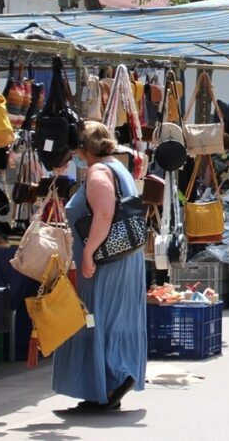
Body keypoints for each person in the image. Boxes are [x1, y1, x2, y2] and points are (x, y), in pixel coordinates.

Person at [54, 121, 146, 413]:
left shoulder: (98, 172)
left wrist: (88, 253)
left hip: (104, 261)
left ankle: (110, 382)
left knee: (96, 316)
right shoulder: (118, 168)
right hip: (123, 257)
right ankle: (112, 379)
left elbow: (104, 214)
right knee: (116, 318)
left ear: (84, 147)